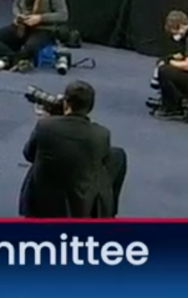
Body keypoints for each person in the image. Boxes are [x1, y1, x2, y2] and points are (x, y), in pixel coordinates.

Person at [20, 80, 126, 218]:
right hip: (81, 201)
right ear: (90, 107)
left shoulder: (44, 126)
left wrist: (48, 120)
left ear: (66, 103)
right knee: (118, 156)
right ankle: (107, 213)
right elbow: (101, 162)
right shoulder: (102, 134)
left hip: (42, 198)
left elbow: (28, 155)